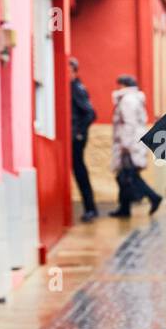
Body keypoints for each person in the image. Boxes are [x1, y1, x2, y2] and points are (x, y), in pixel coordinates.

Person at [109, 74, 163, 218]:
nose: (117, 87)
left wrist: (125, 145)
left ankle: (153, 197)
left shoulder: (128, 100)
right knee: (124, 177)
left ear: (124, 85)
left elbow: (129, 123)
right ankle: (124, 208)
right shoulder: (131, 99)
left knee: (129, 177)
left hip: (129, 145)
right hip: (131, 144)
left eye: (119, 84)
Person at [69, 58, 98, 222]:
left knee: (80, 172)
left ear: (74, 71)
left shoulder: (76, 88)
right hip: (74, 136)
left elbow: (90, 113)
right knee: (79, 172)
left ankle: (90, 208)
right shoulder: (72, 87)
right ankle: (90, 208)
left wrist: (79, 132)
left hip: (76, 138)